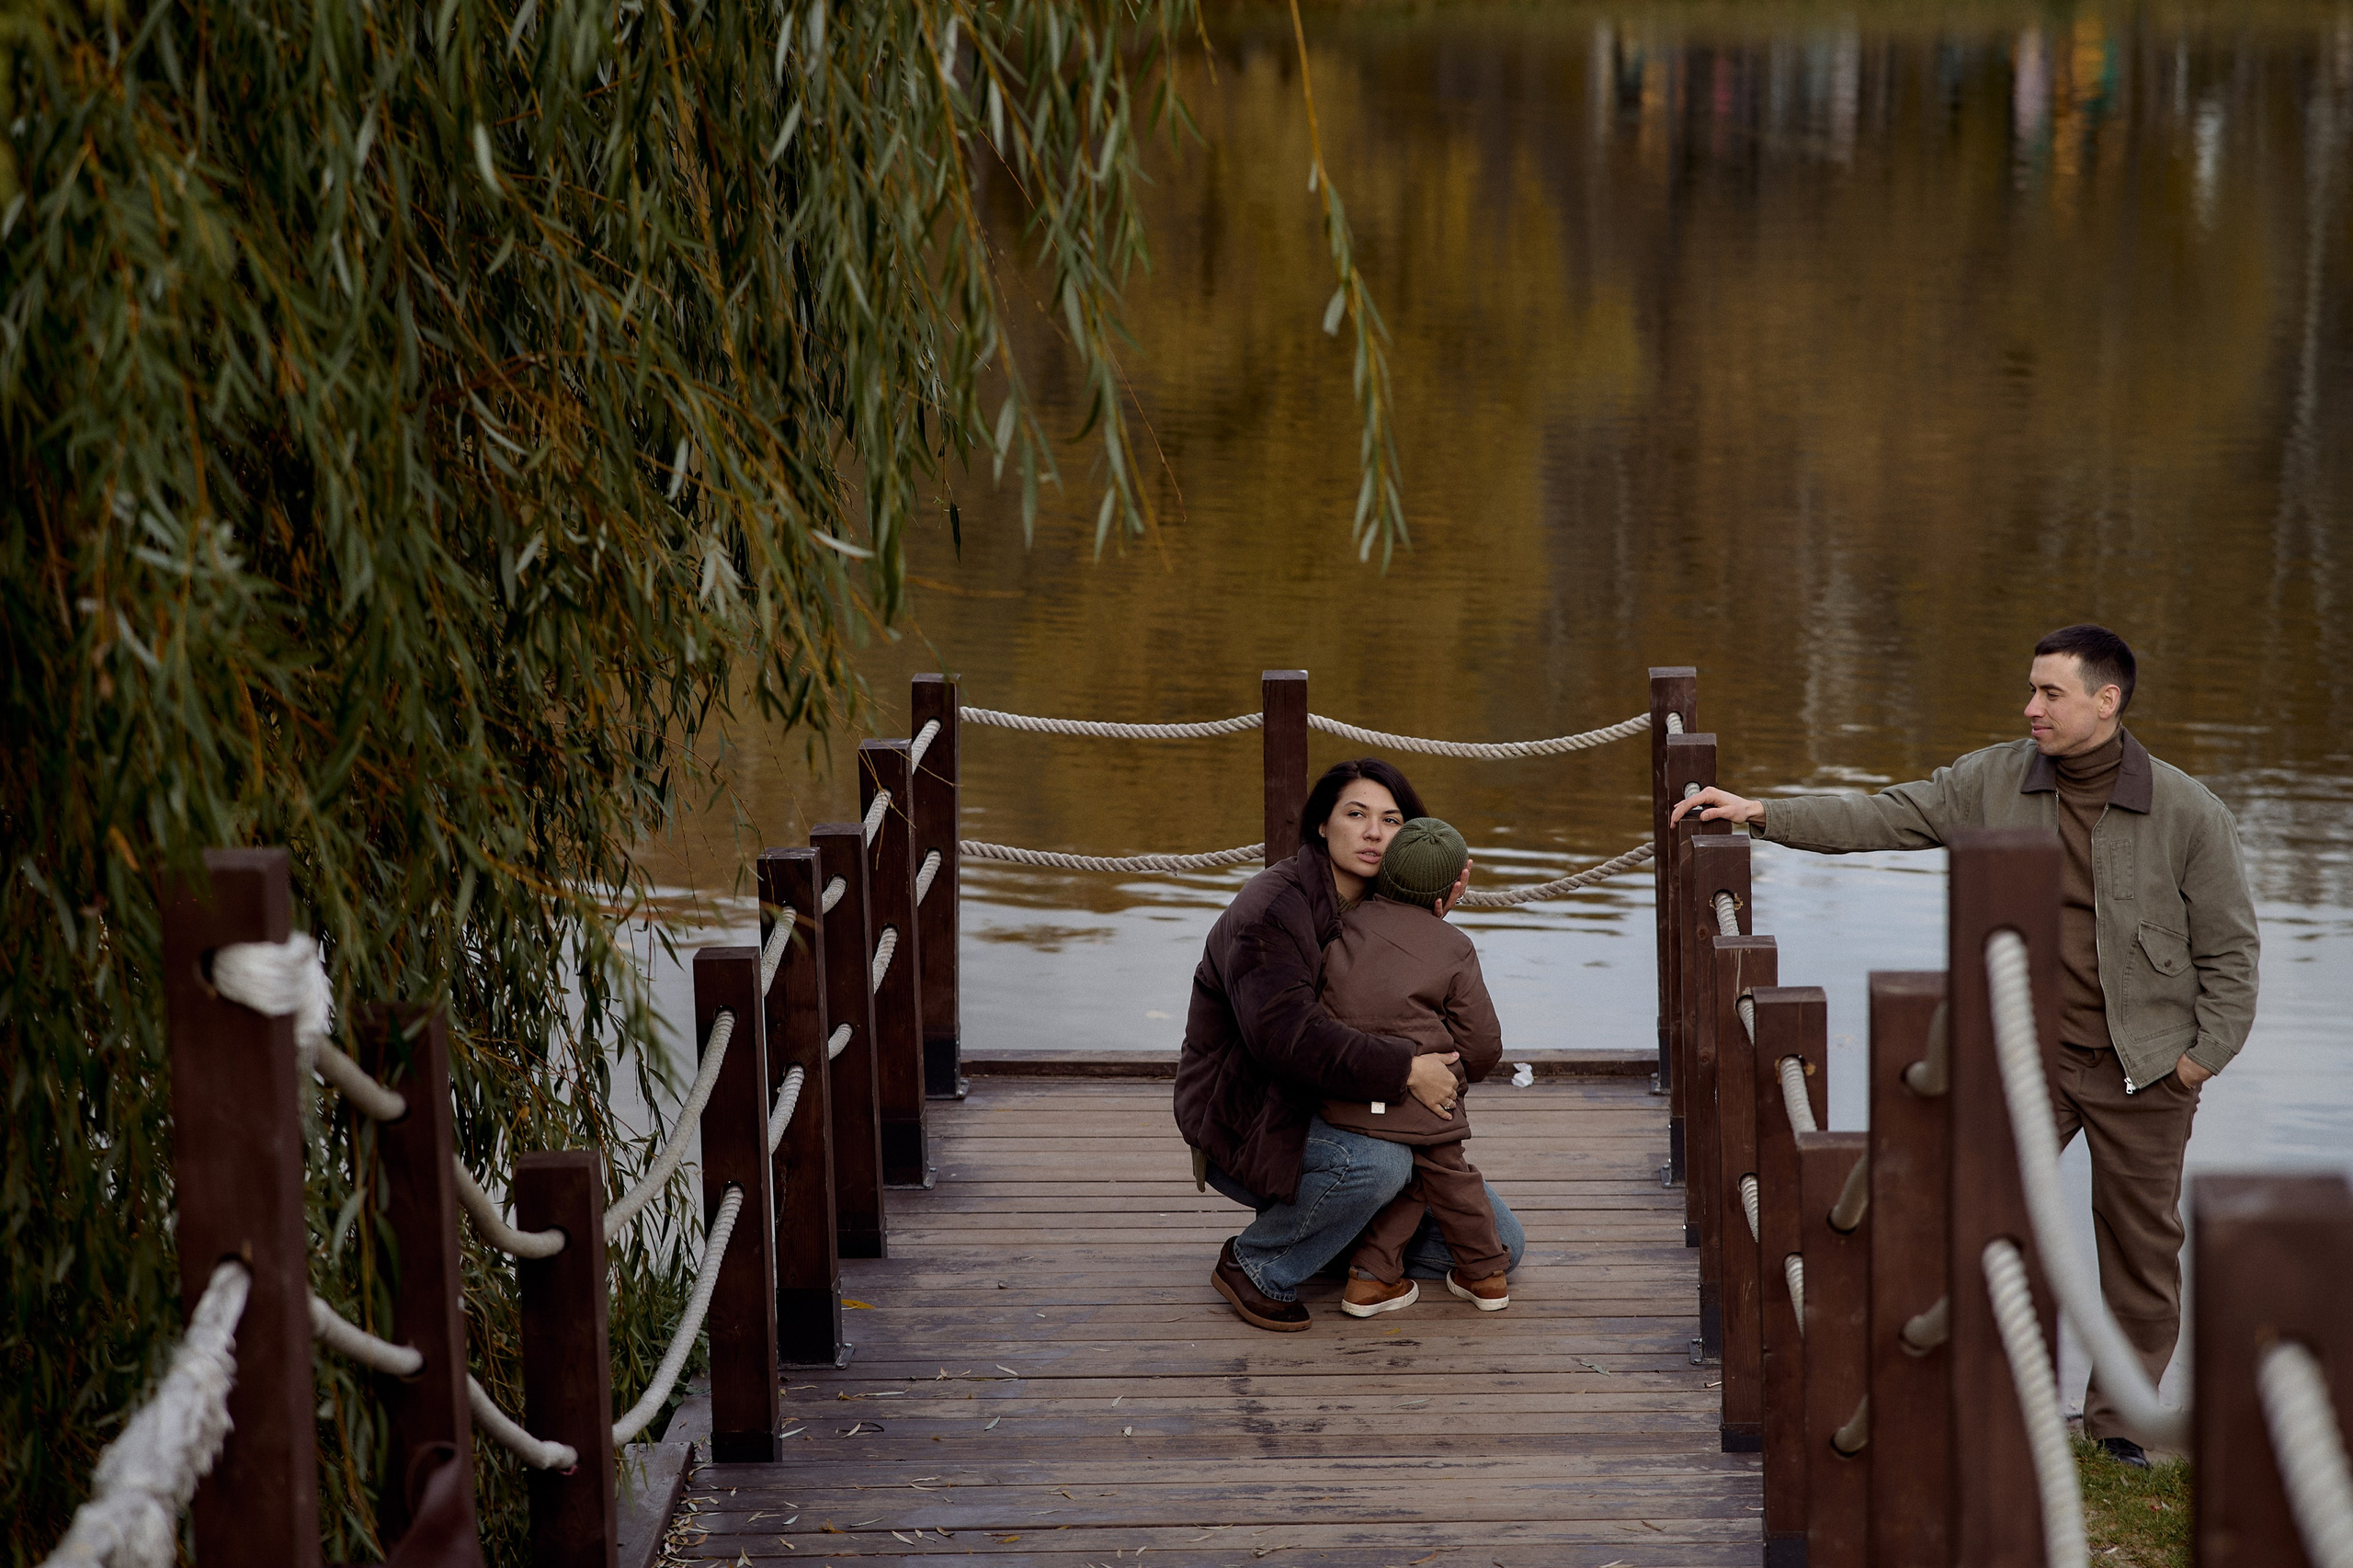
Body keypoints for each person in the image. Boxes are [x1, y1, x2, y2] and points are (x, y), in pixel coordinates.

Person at [1670, 624, 2259, 1466]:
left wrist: (2201, 1059)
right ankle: (1944, 1397)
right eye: (2031, 689)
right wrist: (1763, 813)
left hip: (2147, 1072)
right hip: (2023, 1061)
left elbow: (2232, 953)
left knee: (2141, 1254)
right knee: (1954, 1218)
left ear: (2107, 700)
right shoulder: (1993, 778)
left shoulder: (2190, 811)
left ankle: (2119, 1428)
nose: (2032, 708)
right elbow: (1887, 814)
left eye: (2051, 693)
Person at [1175, 757, 1527, 1333]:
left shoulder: (1379, 905)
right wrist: (1408, 1070)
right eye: (1356, 814)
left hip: (1352, 1106)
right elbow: (1285, 1039)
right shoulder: (1270, 909)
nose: (1372, 833)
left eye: (1391, 821)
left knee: (1500, 1246)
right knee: (1381, 1162)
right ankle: (1256, 1264)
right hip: (1253, 1116)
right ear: (1321, 823)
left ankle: (1345, 1238)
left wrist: (1426, 926)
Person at [1316, 816, 1513, 1317]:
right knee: (1451, 1178)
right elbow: (1484, 1042)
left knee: (1413, 1181)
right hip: (1426, 1103)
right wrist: (1457, 1075)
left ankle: (1370, 1278)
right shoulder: (1454, 946)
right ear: (1453, 887)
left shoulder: (1336, 927)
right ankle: (1486, 1272)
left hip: (1347, 1099)